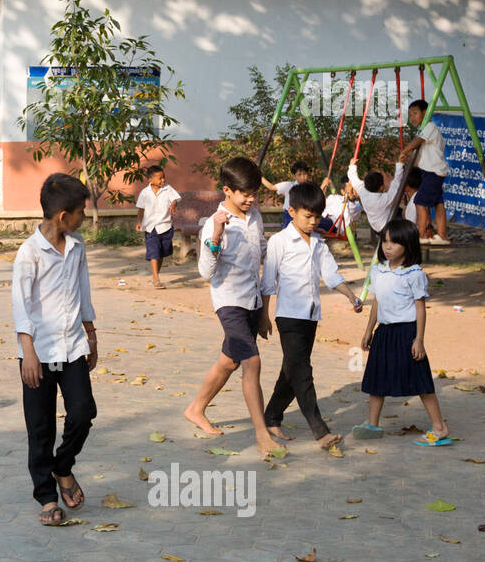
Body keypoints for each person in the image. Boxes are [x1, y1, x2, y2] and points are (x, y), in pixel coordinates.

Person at [12, 172, 98, 525]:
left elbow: (84, 291)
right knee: (40, 427)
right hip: (38, 353)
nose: (84, 219)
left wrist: (91, 335)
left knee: (84, 412)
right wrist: (27, 351)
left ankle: (63, 467)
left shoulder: (77, 248)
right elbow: (21, 304)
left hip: (73, 345)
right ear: (64, 215)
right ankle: (46, 497)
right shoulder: (28, 253)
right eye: (81, 212)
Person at [183, 156, 282, 457]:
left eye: (254, 192)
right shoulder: (215, 223)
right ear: (227, 190)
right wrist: (215, 236)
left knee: (230, 360)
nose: (251, 198)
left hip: (251, 300)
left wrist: (264, 311)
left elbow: (262, 253)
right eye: (245, 193)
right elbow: (205, 272)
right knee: (252, 362)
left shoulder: (254, 216)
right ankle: (261, 433)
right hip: (229, 303)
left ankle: (195, 408)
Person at [260, 181, 364, 450]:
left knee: (292, 370)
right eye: (308, 216)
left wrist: (351, 296)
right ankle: (320, 431)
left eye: (317, 217)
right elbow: (268, 283)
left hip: (311, 316)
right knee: (303, 373)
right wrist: (264, 316)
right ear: (292, 211)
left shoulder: (318, 244)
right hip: (288, 317)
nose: (313, 221)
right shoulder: (279, 242)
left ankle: (271, 416)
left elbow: (330, 275)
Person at [357, 219, 454, 445]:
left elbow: (420, 308)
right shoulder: (378, 270)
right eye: (385, 241)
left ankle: (439, 427)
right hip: (384, 332)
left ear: (408, 246)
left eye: (394, 243)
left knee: (420, 381)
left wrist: (419, 340)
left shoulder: (413, 273)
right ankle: (372, 423)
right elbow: (377, 302)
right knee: (376, 377)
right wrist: (368, 330)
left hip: (406, 333)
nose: (387, 247)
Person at [402, 99, 450, 245]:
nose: (412, 118)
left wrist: (404, 151)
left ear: (425, 112)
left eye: (415, 113)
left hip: (432, 173)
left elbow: (417, 141)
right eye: (410, 115)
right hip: (433, 172)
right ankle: (442, 236)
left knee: (420, 201)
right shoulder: (427, 129)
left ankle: (421, 235)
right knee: (438, 203)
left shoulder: (430, 127)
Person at [347, 151, 409, 247]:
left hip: (376, 228)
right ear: (381, 187)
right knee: (406, 217)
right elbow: (396, 183)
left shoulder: (363, 193)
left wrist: (352, 166)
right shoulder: (384, 199)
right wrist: (400, 164)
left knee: (399, 210)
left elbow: (353, 178)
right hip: (387, 228)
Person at [134, 164, 181, 288]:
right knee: (154, 251)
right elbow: (140, 209)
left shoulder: (168, 189)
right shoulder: (144, 192)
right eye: (160, 178)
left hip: (165, 226)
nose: (163, 180)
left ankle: (156, 274)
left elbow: (175, 198)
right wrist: (139, 222)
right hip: (150, 227)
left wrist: (173, 205)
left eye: (163, 177)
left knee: (162, 252)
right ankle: (156, 278)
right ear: (150, 180)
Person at [261, 161, 312, 231]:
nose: (302, 177)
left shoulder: (310, 188)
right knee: (288, 235)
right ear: (294, 176)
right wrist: (260, 177)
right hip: (289, 215)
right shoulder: (289, 185)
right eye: (299, 174)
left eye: (304, 174)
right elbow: (271, 187)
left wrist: (324, 185)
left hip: (303, 215)